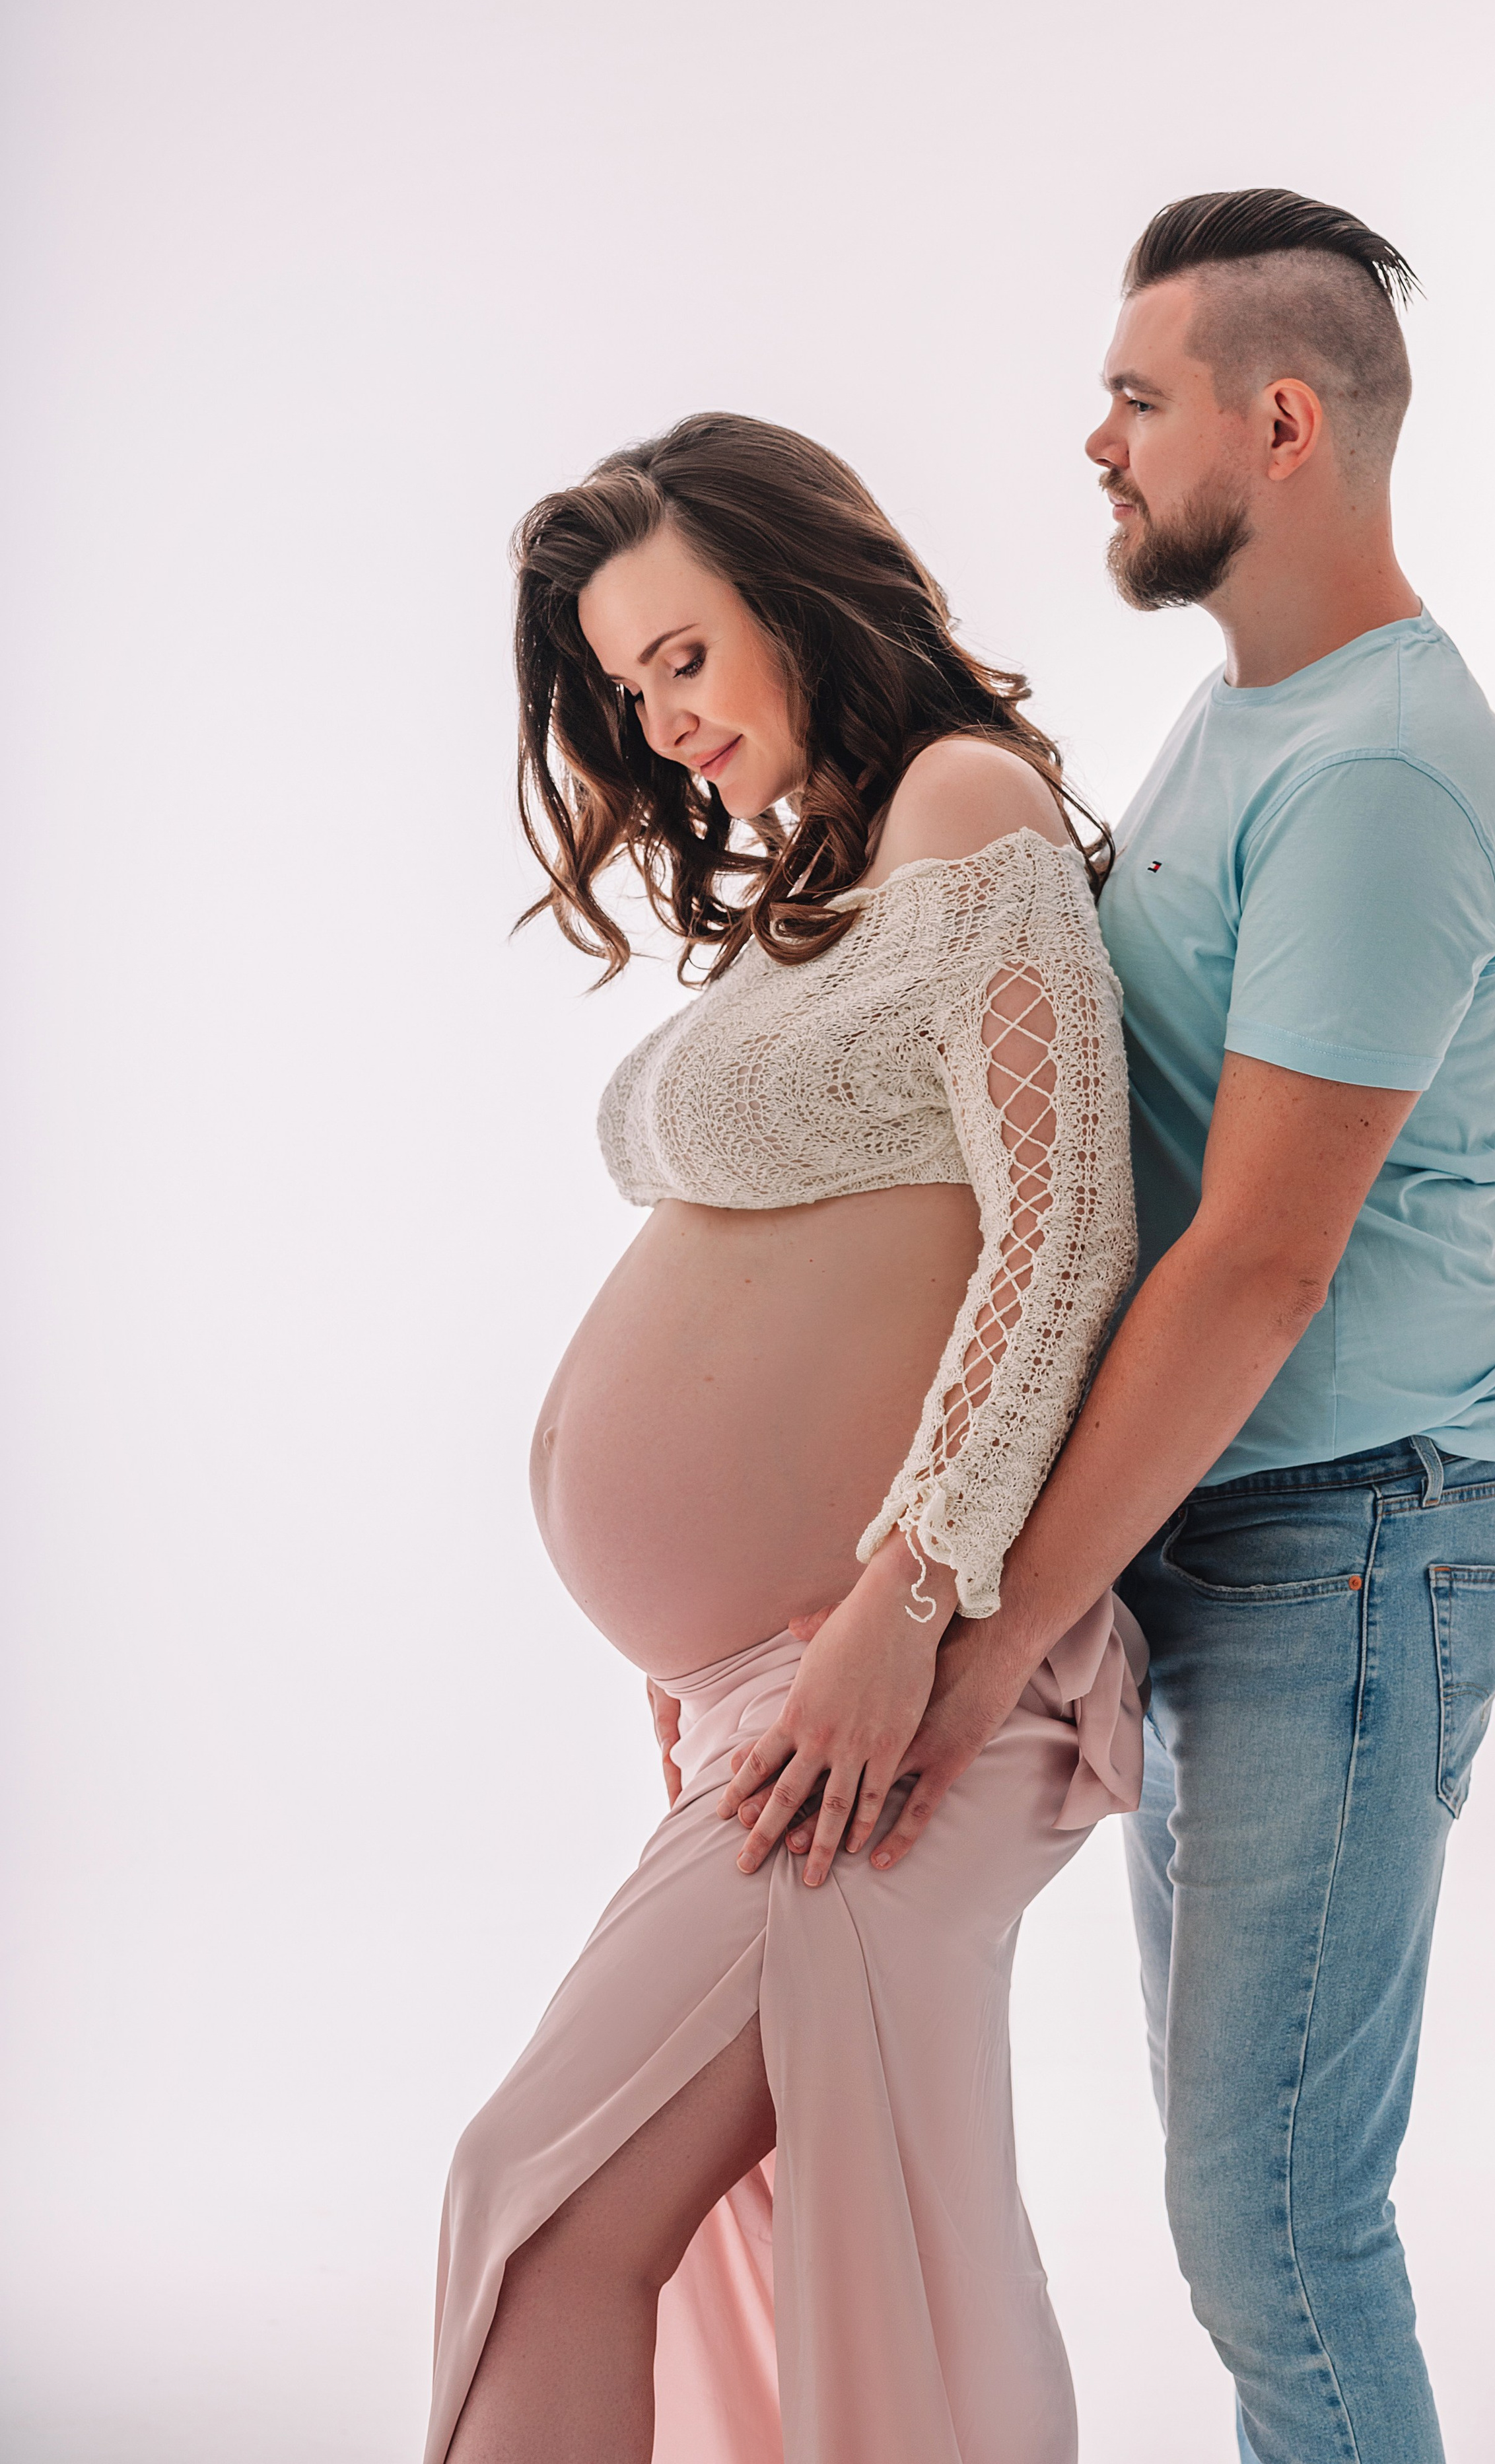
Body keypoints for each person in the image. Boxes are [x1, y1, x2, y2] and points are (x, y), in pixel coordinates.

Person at [728, 190, 1495, 2464]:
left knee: (1276, 2224)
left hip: (1348, 1540)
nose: (1093, 442)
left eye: (1134, 399)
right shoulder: (1253, 718)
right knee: (1246, 2212)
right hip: (1234, 1522)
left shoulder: (1376, 775)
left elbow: (1259, 1265)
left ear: (1279, 425)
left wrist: (978, 1634)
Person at [425, 413, 1148, 2464]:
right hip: (780, 1679)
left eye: (684, 657)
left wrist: (896, 1603)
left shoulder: (966, 805)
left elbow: (1063, 1228)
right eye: (623, 687)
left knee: (537, 2199)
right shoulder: (828, 888)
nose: (658, 727)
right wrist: (700, 1650)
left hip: (899, 1670)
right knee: (567, 2208)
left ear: (800, 595)